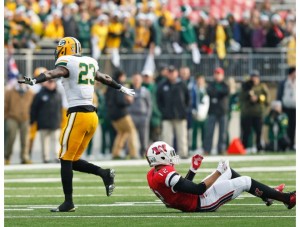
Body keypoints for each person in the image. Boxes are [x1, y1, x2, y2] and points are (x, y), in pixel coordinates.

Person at [18, 37, 135, 212]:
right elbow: (104, 77)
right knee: (72, 160)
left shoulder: (68, 62)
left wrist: (35, 80)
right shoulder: (89, 61)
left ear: (67, 49)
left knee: (64, 158)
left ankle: (68, 202)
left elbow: (53, 73)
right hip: (91, 117)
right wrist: (120, 87)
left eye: (60, 48)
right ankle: (104, 173)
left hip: (78, 114)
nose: (58, 51)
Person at [146, 141, 296, 212]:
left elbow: (179, 190)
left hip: (195, 200)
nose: (172, 157)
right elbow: (198, 189)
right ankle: (287, 199)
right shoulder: (165, 175)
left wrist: (192, 170)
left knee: (228, 171)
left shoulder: (153, 174)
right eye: (170, 155)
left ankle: (268, 195)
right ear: (162, 157)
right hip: (202, 202)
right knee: (245, 181)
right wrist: (218, 171)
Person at [156, 65, 190, 158]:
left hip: (180, 115)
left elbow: (188, 99)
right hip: (167, 116)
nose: (171, 74)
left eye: (173, 72)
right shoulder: (162, 85)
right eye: (169, 72)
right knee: (167, 137)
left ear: (176, 73)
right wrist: (163, 111)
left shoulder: (182, 84)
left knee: (182, 137)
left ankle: (183, 153)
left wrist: (184, 110)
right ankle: (167, 155)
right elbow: (159, 100)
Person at [30, 79, 62, 163]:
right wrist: (33, 120)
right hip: (43, 122)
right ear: (46, 83)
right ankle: (46, 158)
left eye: (52, 82)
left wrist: (60, 120)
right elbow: (34, 108)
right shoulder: (40, 94)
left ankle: (57, 156)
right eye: (49, 82)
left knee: (56, 141)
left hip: (55, 122)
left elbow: (60, 109)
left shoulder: (58, 94)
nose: (51, 84)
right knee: (44, 142)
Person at [4, 80, 35, 165]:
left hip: (25, 118)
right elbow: (5, 104)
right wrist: (6, 116)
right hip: (12, 117)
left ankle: (24, 157)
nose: (22, 84)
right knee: (10, 137)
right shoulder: (9, 92)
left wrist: (31, 117)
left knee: (25, 139)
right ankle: (6, 157)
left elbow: (33, 106)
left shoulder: (31, 93)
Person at [239, 70, 270, 152]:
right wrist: (248, 95)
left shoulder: (262, 86)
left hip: (258, 113)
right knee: (246, 132)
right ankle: (244, 148)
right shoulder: (246, 86)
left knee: (259, 132)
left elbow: (267, 99)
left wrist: (258, 98)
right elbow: (241, 98)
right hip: (248, 113)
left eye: (256, 77)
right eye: (253, 77)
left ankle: (259, 147)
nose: (254, 79)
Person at [203, 67, 229, 155]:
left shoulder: (225, 84)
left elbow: (225, 92)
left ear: (222, 75)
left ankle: (221, 149)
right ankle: (207, 149)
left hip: (222, 111)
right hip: (212, 111)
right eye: (216, 74)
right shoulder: (211, 84)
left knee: (222, 133)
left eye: (219, 74)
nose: (217, 76)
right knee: (209, 132)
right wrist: (218, 92)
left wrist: (216, 93)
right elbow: (210, 92)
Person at [276, 67, 296, 150]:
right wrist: (279, 105)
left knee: (293, 127)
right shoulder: (283, 83)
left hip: (295, 109)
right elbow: (279, 95)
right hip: (285, 109)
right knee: (284, 127)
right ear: (291, 73)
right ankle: (284, 145)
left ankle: (291, 145)